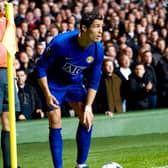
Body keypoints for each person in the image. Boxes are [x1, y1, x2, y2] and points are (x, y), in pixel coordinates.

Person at [35, 12, 104, 168]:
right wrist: (47, 93)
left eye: (102, 27)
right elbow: (40, 67)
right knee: (55, 120)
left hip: (74, 83)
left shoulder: (98, 49)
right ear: (84, 28)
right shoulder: (61, 43)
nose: (101, 31)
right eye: (97, 27)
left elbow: (94, 80)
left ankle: (81, 165)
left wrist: (88, 106)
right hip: (52, 83)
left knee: (88, 119)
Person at [0, 0, 20, 167]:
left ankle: (9, 165)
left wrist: (13, 76)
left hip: (7, 72)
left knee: (8, 119)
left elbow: (12, 50)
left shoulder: (10, 20)